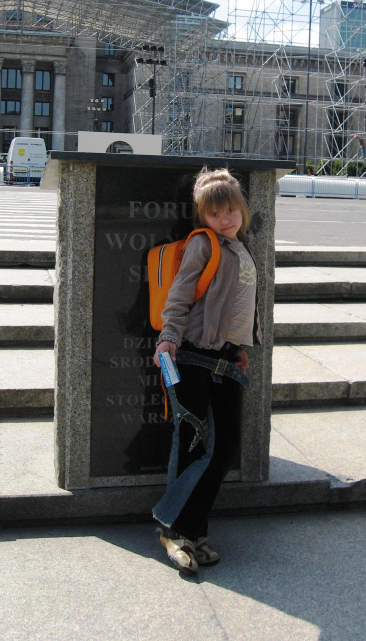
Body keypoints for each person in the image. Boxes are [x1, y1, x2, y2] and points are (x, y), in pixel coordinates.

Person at [152, 167, 260, 576]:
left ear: (242, 209)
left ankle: (188, 526)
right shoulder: (204, 245)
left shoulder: (243, 248)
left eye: (231, 210)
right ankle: (178, 533)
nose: (225, 219)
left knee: (227, 445)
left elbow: (242, 305)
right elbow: (180, 295)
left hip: (227, 359)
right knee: (193, 442)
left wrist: (241, 347)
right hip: (193, 355)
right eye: (215, 214)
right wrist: (168, 337)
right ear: (203, 217)